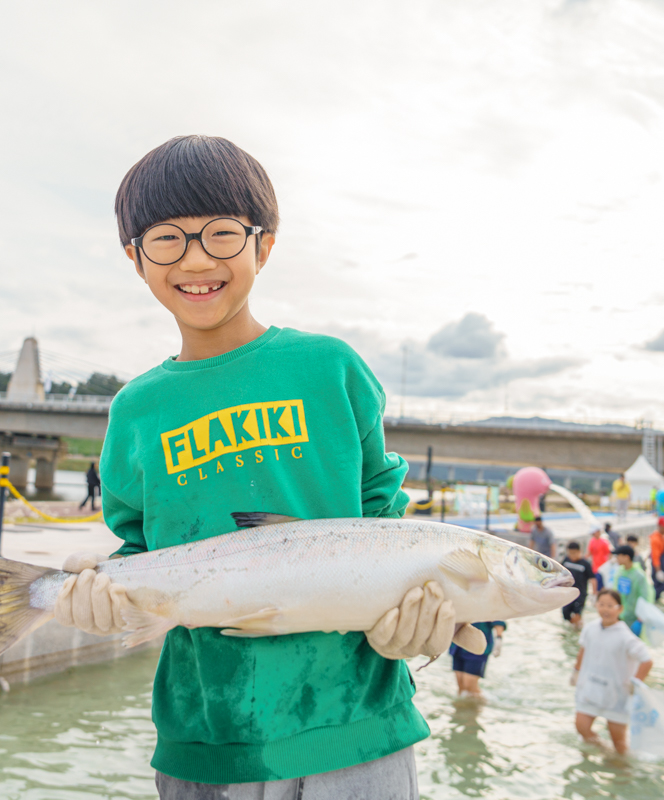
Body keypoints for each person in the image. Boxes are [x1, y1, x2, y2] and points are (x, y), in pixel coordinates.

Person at [51, 136, 479, 794]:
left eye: (221, 233)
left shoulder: (331, 369)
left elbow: (389, 530)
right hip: (206, 738)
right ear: (135, 258)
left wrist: (415, 623)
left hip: (361, 725)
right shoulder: (135, 410)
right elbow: (141, 553)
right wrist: (103, 598)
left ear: (265, 245)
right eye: (166, 239)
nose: (196, 259)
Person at [573, 589, 654, 755]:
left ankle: (621, 765)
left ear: (620, 609)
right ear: (596, 605)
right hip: (591, 689)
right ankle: (604, 750)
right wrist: (576, 671)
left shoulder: (625, 636)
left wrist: (635, 683)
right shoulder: (590, 628)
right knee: (581, 727)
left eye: (610, 606)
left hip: (617, 694)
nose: (605, 609)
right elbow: (583, 650)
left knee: (619, 743)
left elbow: (647, 660)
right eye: (602, 604)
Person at [451, 621, 506, 698]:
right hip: (457, 646)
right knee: (461, 684)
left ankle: (483, 704)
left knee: (469, 684)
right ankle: (461, 705)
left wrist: (499, 638)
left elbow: (498, 619)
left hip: (478, 647)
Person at [611, 545, 653, 636]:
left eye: (618, 556)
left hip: (634, 617)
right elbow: (615, 592)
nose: (616, 558)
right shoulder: (620, 572)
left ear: (626, 557)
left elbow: (645, 597)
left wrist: (640, 618)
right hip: (619, 615)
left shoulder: (639, 575)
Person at [561, 542, 593, 628]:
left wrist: (594, 592)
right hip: (568, 593)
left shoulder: (585, 564)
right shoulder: (566, 561)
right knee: (565, 613)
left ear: (579, 552)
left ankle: (578, 628)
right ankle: (572, 627)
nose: (572, 555)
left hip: (580, 594)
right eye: (570, 553)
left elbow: (592, 578)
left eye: (574, 553)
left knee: (577, 613)